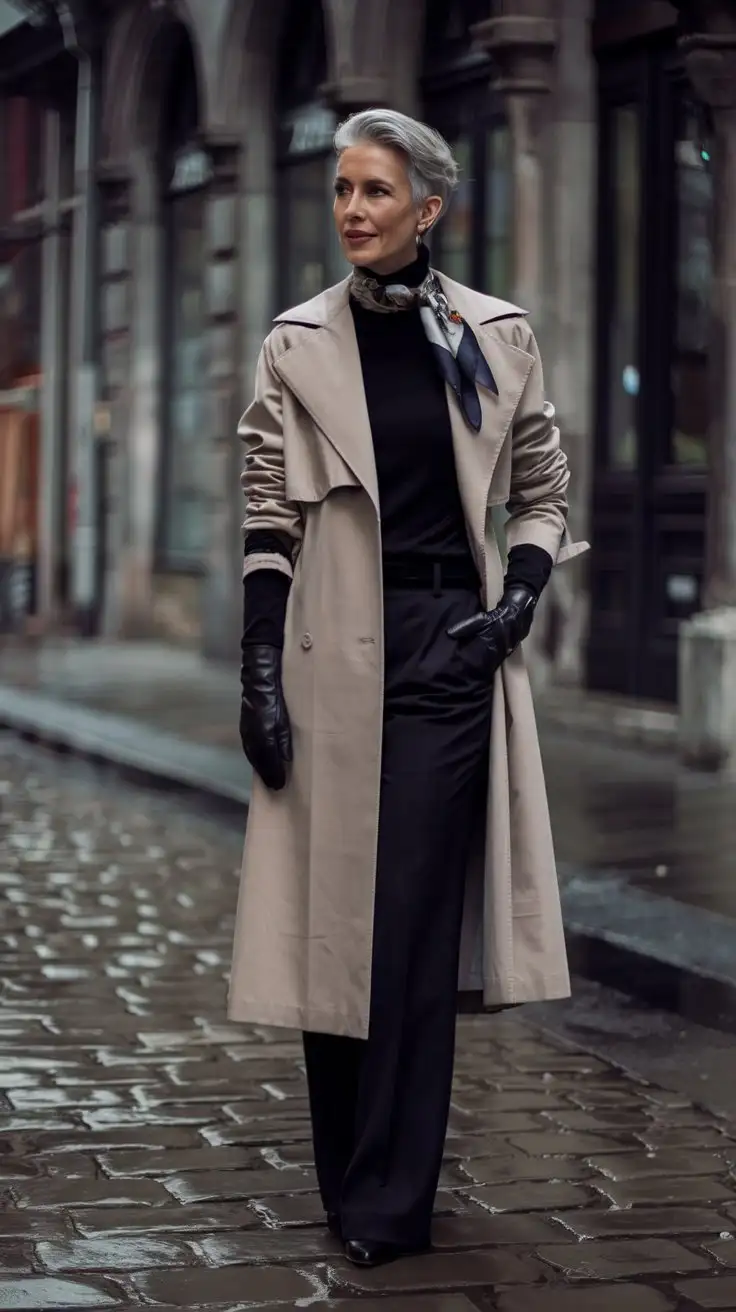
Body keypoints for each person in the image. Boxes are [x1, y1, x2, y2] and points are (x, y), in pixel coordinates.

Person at [228, 108, 588, 1267]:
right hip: (327, 647)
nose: (350, 210)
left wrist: (515, 609)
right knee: (335, 922)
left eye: (374, 191)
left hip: (449, 648)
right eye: (341, 189)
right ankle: (345, 1168)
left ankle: (392, 1198)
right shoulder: (295, 343)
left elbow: (540, 488)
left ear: (427, 208)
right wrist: (256, 671)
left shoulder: (497, 336)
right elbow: (266, 515)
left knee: (411, 929)